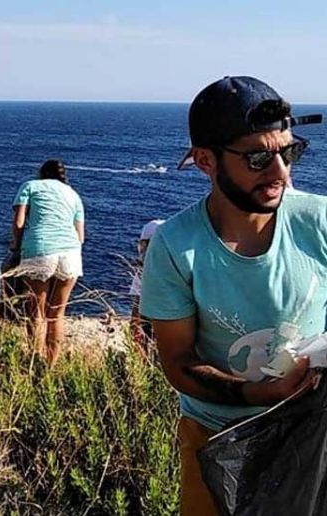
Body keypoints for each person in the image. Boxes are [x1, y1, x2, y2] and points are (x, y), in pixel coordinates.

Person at [139, 76, 324, 516]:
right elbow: (178, 363)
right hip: (218, 439)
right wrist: (254, 392)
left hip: (312, 432)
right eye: (258, 158)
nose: (280, 172)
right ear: (205, 160)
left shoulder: (318, 222)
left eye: (289, 151)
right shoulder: (176, 246)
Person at [10, 159, 85, 366]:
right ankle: (50, 366)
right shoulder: (74, 195)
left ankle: (35, 362)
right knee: (57, 314)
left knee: (37, 313)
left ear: (41, 173)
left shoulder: (30, 186)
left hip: (40, 249)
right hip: (71, 254)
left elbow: (19, 222)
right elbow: (80, 236)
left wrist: (15, 247)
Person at [128, 219, 164, 346]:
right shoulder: (182, 268)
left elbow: (137, 304)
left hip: (152, 325)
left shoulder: (144, 270)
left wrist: (134, 326)